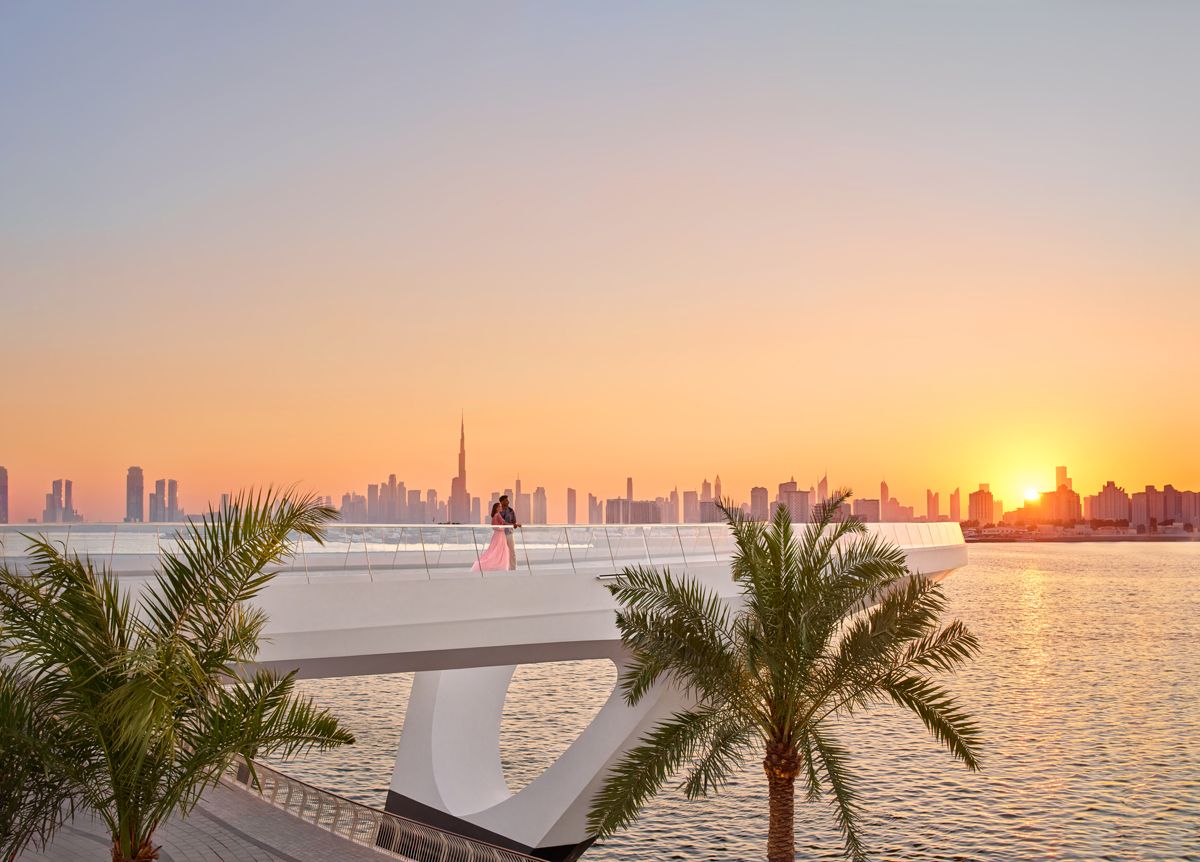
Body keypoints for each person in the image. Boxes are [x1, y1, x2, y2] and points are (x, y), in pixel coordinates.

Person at [472, 502, 511, 571]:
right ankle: (498, 565)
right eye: (500, 506)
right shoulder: (498, 515)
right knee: (500, 550)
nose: (501, 508)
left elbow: (494, 527)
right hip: (500, 535)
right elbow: (503, 523)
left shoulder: (494, 516)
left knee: (494, 549)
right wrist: (512, 525)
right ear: (497, 508)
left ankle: (496, 564)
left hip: (496, 535)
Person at [498, 494, 520, 570]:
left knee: (512, 551)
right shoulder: (498, 510)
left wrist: (515, 525)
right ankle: (502, 568)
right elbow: (498, 522)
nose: (508, 501)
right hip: (501, 534)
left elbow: (514, 521)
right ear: (502, 502)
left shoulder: (511, 511)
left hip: (510, 533)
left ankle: (513, 568)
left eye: (508, 500)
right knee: (501, 552)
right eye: (506, 500)